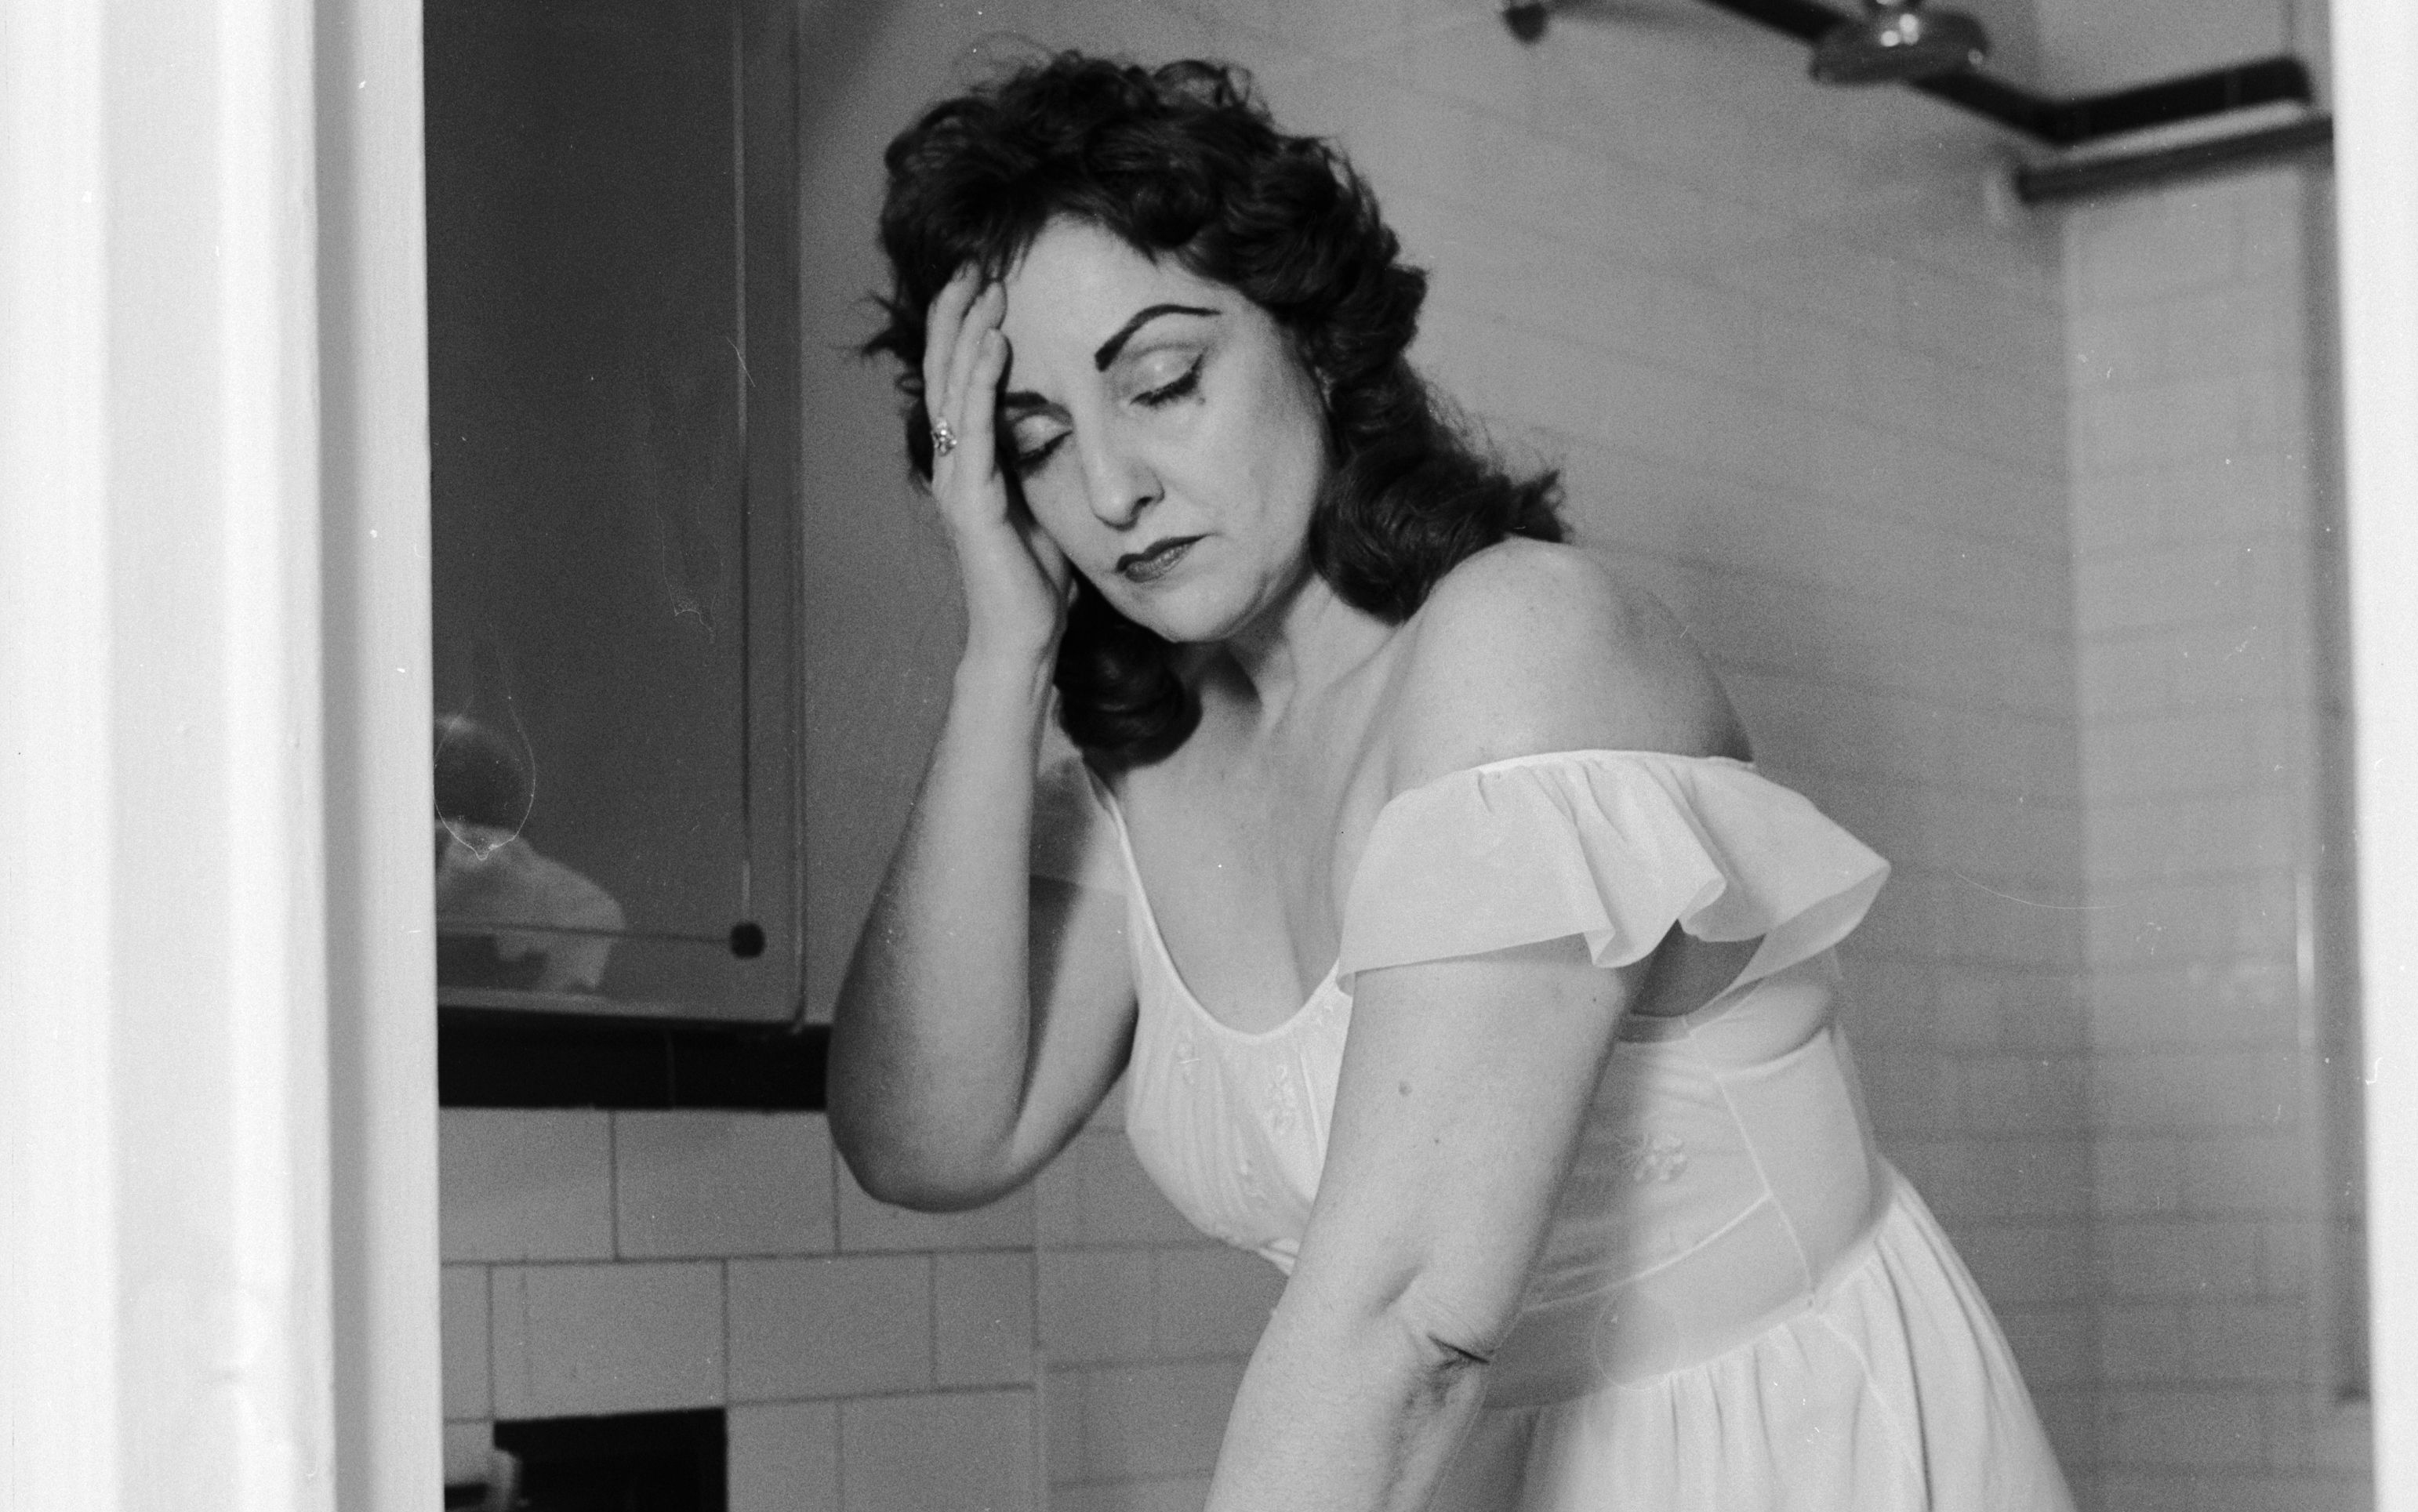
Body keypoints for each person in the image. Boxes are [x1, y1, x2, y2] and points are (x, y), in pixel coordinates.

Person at [830, 52, 2076, 1512]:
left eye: (1162, 383)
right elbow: (926, 1139)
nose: (1111, 489)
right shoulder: (1146, 773)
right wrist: (1001, 654)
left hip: (1785, 1459)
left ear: (1313, 339)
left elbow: (1406, 1326)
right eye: (1038, 443)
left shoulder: (1523, 642)